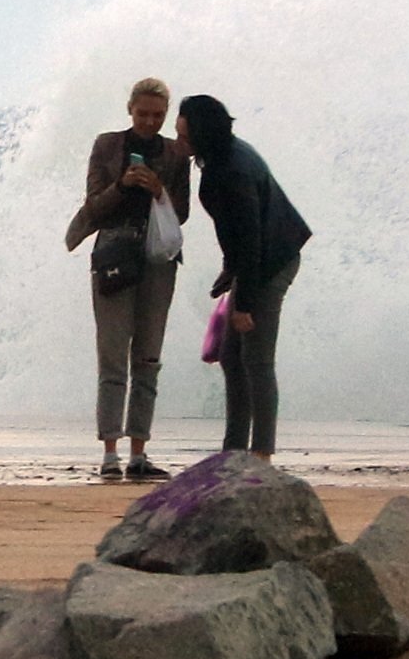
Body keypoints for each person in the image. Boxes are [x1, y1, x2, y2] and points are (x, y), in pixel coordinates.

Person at [64, 76, 193, 483]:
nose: (150, 122)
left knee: (149, 356)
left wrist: (159, 191)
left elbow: (183, 213)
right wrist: (124, 184)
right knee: (113, 354)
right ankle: (109, 452)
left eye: (158, 116)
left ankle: (140, 450)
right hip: (114, 255)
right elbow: (94, 206)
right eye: (143, 114)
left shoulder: (175, 155)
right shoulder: (107, 146)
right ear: (130, 110)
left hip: (157, 260)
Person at [177, 93, 309, 459]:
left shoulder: (233, 169)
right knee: (231, 356)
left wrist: (243, 305)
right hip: (255, 262)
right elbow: (237, 236)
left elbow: (252, 240)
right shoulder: (220, 156)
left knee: (257, 360)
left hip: (273, 262)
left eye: (185, 137)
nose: (179, 143)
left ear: (203, 135)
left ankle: (261, 455)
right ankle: (234, 451)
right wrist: (229, 270)